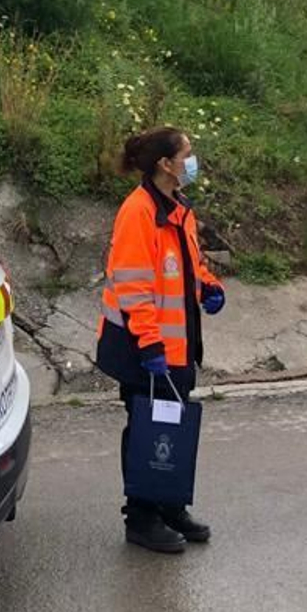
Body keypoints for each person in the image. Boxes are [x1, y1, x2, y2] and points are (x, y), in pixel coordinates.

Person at [95, 126, 226, 554]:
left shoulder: (176, 207)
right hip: (145, 349)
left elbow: (186, 263)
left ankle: (169, 505)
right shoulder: (138, 212)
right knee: (148, 430)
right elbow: (133, 287)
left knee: (172, 426)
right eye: (187, 154)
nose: (192, 160)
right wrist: (150, 345)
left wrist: (207, 284)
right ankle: (141, 517)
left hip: (176, 347)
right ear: (165, 165)